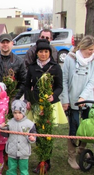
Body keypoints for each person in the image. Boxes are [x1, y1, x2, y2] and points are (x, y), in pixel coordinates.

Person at [0, 33, 26, 167]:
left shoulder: (19, 61)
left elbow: (23, 81)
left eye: (7, 42)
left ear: (12, 43)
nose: (5, 45)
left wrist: (15, 98)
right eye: (3, 42)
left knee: (8, 129)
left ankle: (8, 155)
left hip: (11, 102)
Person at [25, 39, 64, 173]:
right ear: (37, 53)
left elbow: (59, 87)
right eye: (41, 51)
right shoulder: (32, 67)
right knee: (37, 132)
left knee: (47, 133)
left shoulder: (55, 67)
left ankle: (46, 162)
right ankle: (41, 160)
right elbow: (26, 86)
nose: (43, 54)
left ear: (49, 53)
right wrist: (28, 99)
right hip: (36, 105)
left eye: (46, 51)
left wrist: (54, 96)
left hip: (49, 105)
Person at [61, 35, 94, 170]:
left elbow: (92, 81)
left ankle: (82, 151)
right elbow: (64, 80)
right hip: (72, 100)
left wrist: (83, 98)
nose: (92, 52)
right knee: (74, 128)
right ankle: (72, 156)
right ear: (83, 47)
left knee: (86, 128)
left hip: (87, 100)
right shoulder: (70, 59)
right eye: (90, 49)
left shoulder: (93, 61)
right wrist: (65, 100)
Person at [3, 100, 36, 175]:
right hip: (12, 150)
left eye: (19, 112)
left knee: (23, 169)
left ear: (23, 112)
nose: (17, 115)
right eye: (15, 113)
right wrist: (2, 128)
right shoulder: (10, 123)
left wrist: (32, 138)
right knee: (11, 169)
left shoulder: (29, 124)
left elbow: (33, 133)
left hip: (24, 152)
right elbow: (5, 134)